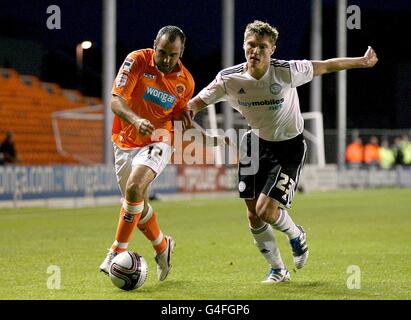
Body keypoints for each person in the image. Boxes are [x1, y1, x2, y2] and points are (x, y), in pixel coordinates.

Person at [187, 20, 378, 283]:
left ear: (272, 49)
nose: (255, 51)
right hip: (255, 144)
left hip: (289, 147)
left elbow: (326, 65)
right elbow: (195, 104)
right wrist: (191, 119)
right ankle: (278, 269)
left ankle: (296, 234)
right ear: (244, 45)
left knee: (266, 210)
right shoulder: (228, 79)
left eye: (262, 47)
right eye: (251, 45)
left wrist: (362, 61)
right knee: (253, 214)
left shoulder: (286, 71)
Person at [99, 26, 195, 282]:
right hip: (125, 141)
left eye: (172, 55)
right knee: (137, 206)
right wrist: (135, 119)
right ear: (154, 44)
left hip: (159, 139)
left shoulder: (186, 82)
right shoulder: (137, 60)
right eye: (161, 52)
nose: (165, 60)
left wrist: (184, 115)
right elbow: (115, 101)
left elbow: (176, 114)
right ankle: (163, 246)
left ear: (181, 52)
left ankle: (116, 250)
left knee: (134, 188)